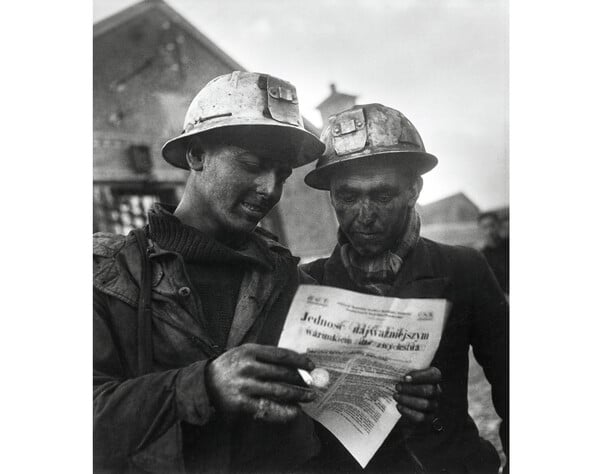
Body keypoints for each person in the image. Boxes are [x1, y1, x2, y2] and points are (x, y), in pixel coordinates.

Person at [93, 71, 327, 473]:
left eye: (283, 175)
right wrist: (204, 385)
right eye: (252, 164)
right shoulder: (107, 276)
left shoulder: (292, 282)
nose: (270, 188)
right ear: (196, 155)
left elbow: (328, 400)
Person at [300, 104, 508, 473]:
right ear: (331, 195)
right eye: (348, 197)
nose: (364, 215)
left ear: (414, 188)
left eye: (382, 196)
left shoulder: (464, 269)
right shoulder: (308, 284)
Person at [478, 211, 509, 295]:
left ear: (499, 225)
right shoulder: (482, 256)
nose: (489, 231)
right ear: (480, 229)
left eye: (492, 226)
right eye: (485, 227)